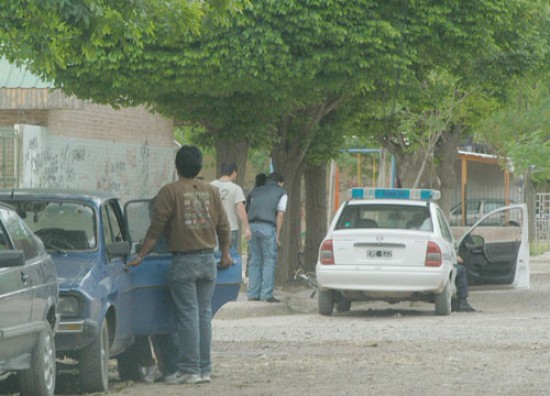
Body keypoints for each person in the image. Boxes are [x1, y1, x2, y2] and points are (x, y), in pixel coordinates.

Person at [128, 144, 232, 385]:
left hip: (184, 262)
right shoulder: (212, 192)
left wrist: (141, 255)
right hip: (209, 261)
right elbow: (224, 226)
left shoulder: (170, 192)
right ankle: (205, 368)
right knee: (203, 315)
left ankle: (189, 369)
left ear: (177, 167)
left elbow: (156, 229)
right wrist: (225, 255)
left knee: (187, 316)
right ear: (198, 167)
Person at [246, 172, 287, 303]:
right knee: (269, 260)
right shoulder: (281, 192)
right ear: (280, 182)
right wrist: (277, 235)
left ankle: (253, 293)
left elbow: (248, 208)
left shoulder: (256, 190)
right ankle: (266, 294)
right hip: (267, 226)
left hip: (252, 225)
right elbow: (280, 215)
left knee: (255, 260)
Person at [211, 162, 251, 251]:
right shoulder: (236, 189)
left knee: (214, 257)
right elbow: (240, 208)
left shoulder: (210, 186)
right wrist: (247, 227)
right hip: (231, 228)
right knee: (230, 257)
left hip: (213, 228)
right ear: (233, 172)